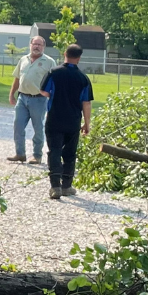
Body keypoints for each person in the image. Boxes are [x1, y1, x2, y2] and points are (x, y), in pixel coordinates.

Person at [39, 44, 94, 200]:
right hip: (73, 120)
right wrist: (87, 123)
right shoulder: (83, 78)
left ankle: (55, 186)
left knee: (54, 151)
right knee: (70, 154)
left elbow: (43, 91)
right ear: (79, 58)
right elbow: (86, 102)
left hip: (55, 118)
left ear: (65, 54)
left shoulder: (53, 73)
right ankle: (67, 185)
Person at [7, 36, 55, 164]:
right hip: (22, 98)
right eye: (35, 44)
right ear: (30, 45)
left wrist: (52, 98)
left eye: (40, 45)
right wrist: (12, 94)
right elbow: (17, 78)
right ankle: (20, 153)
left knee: (38, 128)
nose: (37, 47)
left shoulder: (49, 62)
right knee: (18, 126)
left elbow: (54, 82)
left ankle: (37, 155)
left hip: (39, 100)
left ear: (43, 47)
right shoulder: (23, 59)